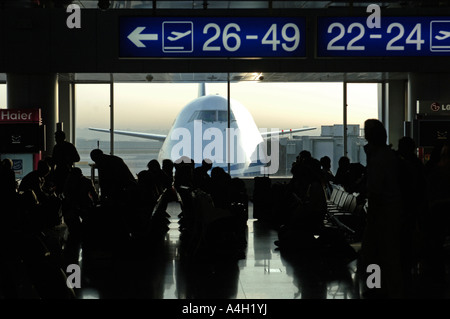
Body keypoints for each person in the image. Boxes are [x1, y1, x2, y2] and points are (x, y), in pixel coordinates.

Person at [360, 119, 405, 298]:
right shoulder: (388, 156)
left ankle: (376, 289)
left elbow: (376, 191)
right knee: (387, 257)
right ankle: (386, 290)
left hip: (383, 216)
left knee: (375, 256)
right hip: (391, 214)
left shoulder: (379, 159)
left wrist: (372, 218)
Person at [52, 131, 80, 195]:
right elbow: (77, 158)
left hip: (60, 171)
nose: (56, 139)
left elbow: (53, 161)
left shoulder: (56, 147)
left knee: (59, 189)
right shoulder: (69, 146)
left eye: (56, 138)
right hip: (67, 170)